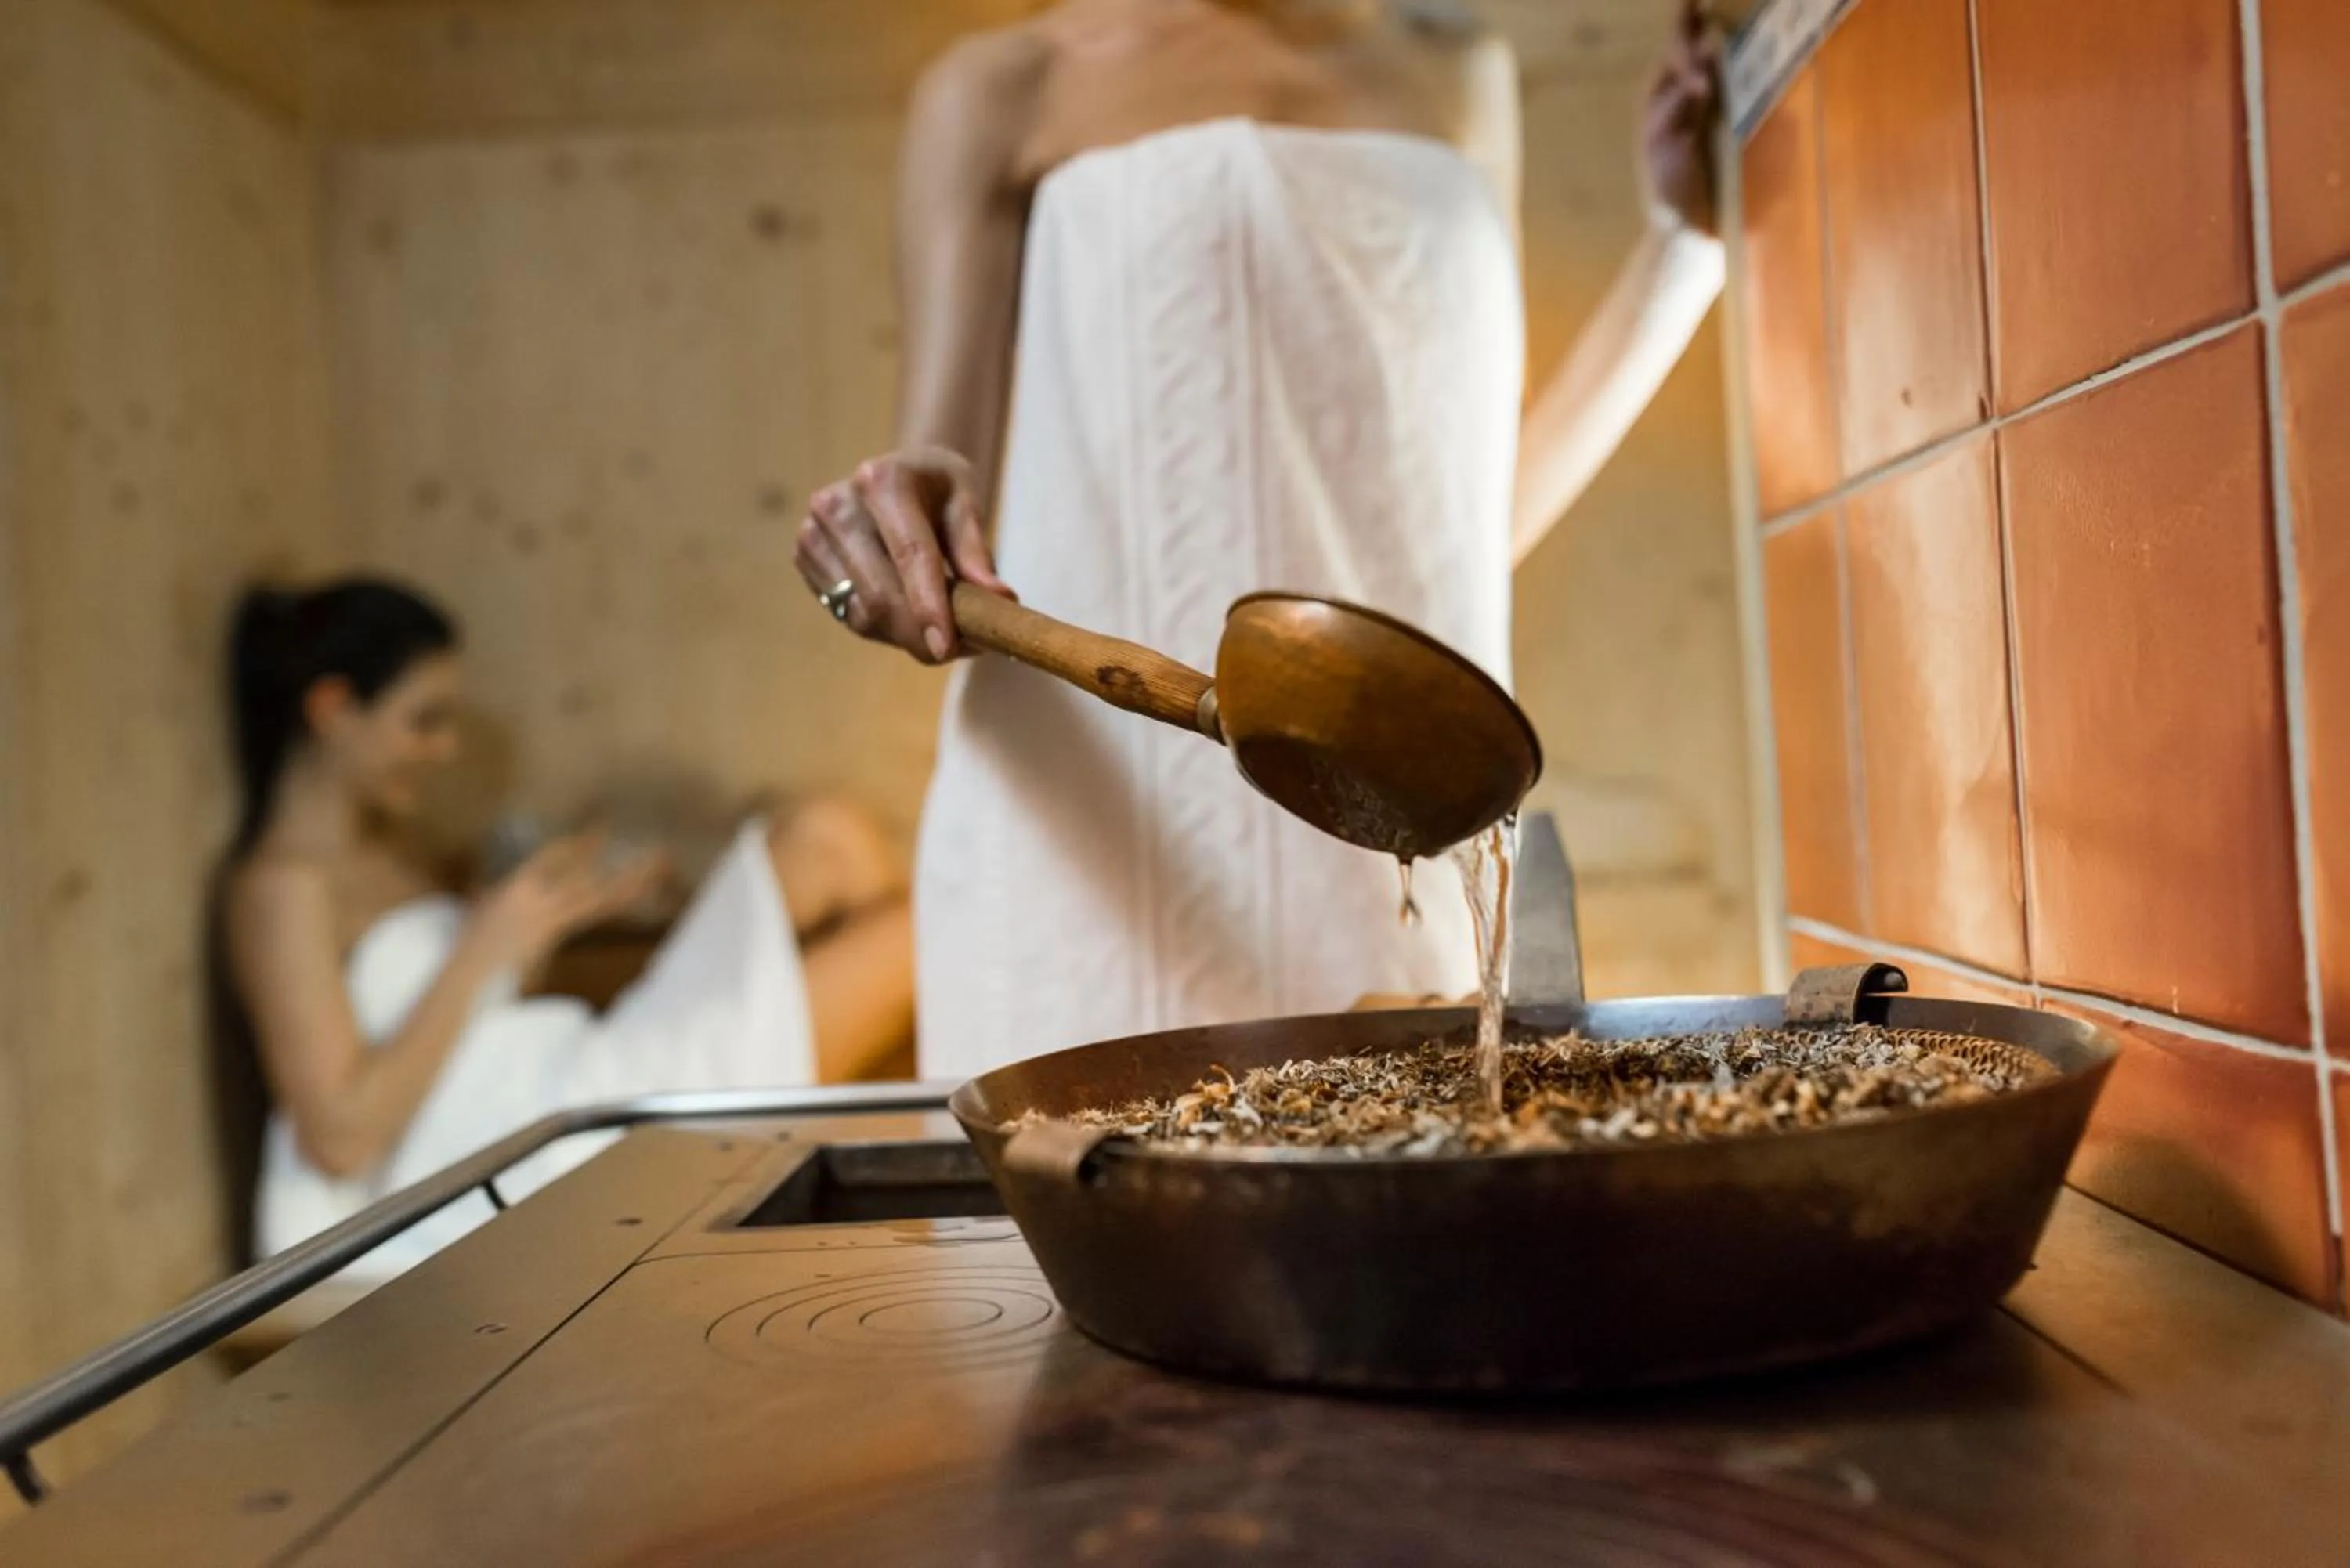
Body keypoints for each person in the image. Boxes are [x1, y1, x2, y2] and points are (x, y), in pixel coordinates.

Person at [796, 0, 1723, 1081]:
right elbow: (931, 522)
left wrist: (1682, 251)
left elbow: (1463, 520)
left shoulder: (1459, 71)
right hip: (1090, 881)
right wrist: (879, 541)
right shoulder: (1001, 90)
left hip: (1385, 855)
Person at [218, 577, 913, 1274]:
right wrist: (485, 949)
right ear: (334, 709)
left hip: (559, 1067)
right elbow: (340, 1136)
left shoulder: (399, 855)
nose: (443, 749)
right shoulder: (282, 887)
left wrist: (553, 920)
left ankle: (875, 1143)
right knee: (911, 935)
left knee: (829, 835)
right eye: (423, 721)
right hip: (531, 1144)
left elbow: (470, 1032)